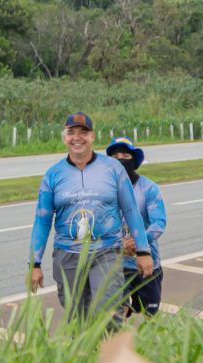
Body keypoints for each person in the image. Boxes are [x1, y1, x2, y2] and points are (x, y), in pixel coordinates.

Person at [28, 112, 154, 327]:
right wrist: (34, 263)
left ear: (93, 136)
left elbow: (131, 210)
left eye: (83, 132)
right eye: (71, 132)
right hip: (67, 255)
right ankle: (86, 358)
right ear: (64, 137)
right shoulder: (53, 175)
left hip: (105, 252)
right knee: (78, 317)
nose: (77, 137)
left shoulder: (113, 169)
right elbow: (42, 221)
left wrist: (143, 251)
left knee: (108, 313)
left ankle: (109, 357)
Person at [106, 136, 167, 317]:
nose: (120, 160)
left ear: (134, 159)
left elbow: (159, 223)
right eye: (115, 158)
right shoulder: (105, 192)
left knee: (150, 313)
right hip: (117, 266)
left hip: (147, 264)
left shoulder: (149, 189)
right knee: (118, 312)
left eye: (125, 155)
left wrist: (139, 241)